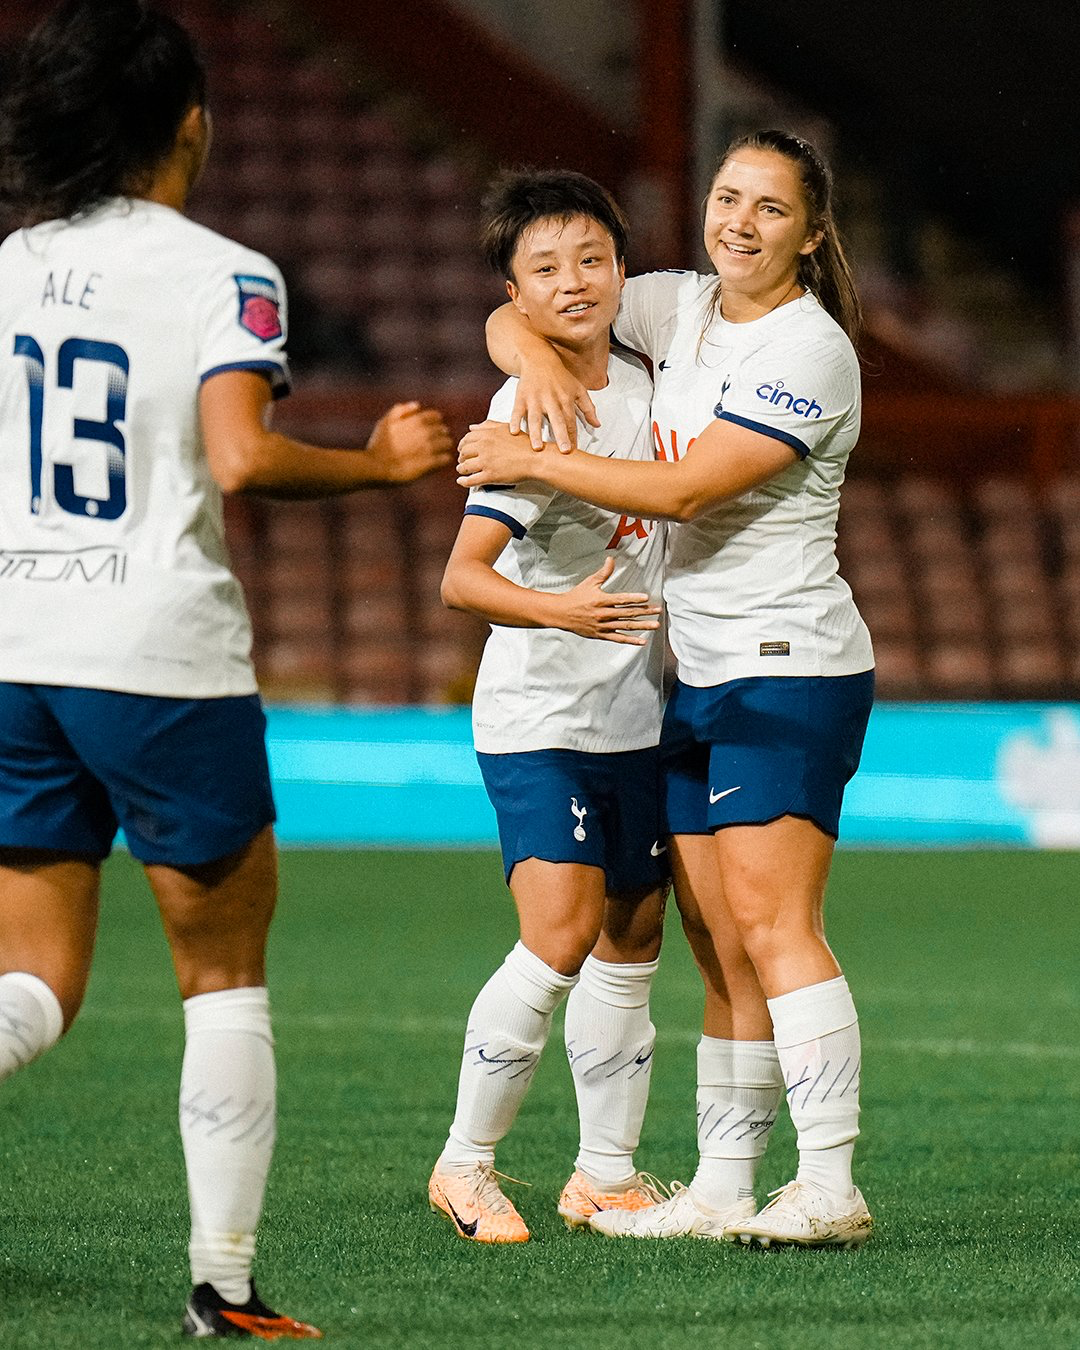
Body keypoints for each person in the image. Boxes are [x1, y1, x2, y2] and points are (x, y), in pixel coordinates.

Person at [0, 0, 452, 1339]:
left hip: (18, 643)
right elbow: (244, 456)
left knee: (33, 979)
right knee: (224, 967)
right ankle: (227, 1285)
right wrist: (380, 459)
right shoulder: (223, 272)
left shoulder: (12, 263)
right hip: (154, 651)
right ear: (189, 122)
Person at [458, 129, 876, 1249]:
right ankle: (727, 1188)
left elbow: (687, 490)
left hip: (788, 664)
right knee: (719, 945)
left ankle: (829, 1182)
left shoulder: (809, 348)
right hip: (698, 676)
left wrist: (533, 455)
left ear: (811, 233)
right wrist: (533, 363)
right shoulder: (681, 305)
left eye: (771, 210)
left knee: (776, 925)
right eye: (728, 197)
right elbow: (541, 297)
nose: (739, 222)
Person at [427, 169, 670, 1244]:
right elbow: (462, 578)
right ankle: (465, 1167)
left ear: (622, 265)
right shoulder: (523, 406)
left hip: (643, 712)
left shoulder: (658, 368)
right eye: (544, 270)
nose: (574, 283)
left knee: (632, 935)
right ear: (515, 294)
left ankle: (606, 1175)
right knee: (561, 932)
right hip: (539, 716)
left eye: (591, 259)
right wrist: (558, 614)